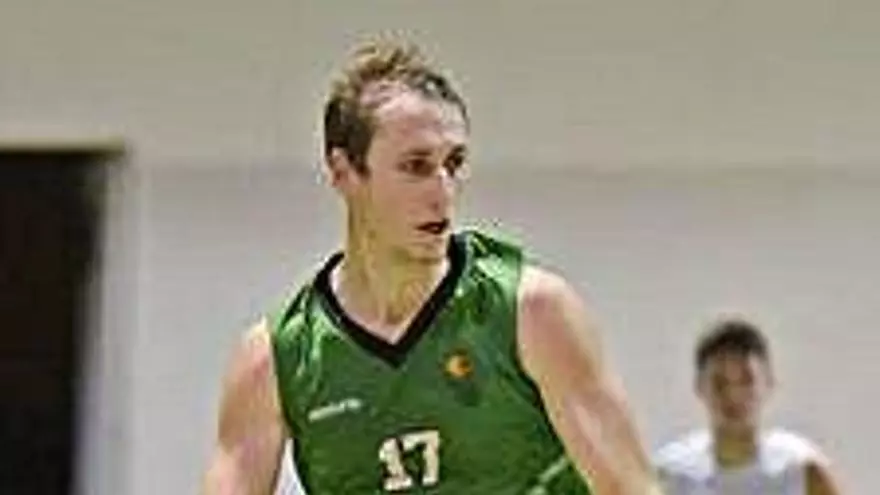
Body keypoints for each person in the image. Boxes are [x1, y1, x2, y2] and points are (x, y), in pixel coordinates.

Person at [201, 37, 662, 494]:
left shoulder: (533, 311)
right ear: (343, 172)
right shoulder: (276, 358)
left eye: (454, 163)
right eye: (416, 166)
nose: (443, 192)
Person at [654, 317, 842, 494]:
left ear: (768, 383)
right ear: (699, 387)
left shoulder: (800, 471)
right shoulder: (671, 474)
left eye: (747, 381)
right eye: (720, 383)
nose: (733, 395)